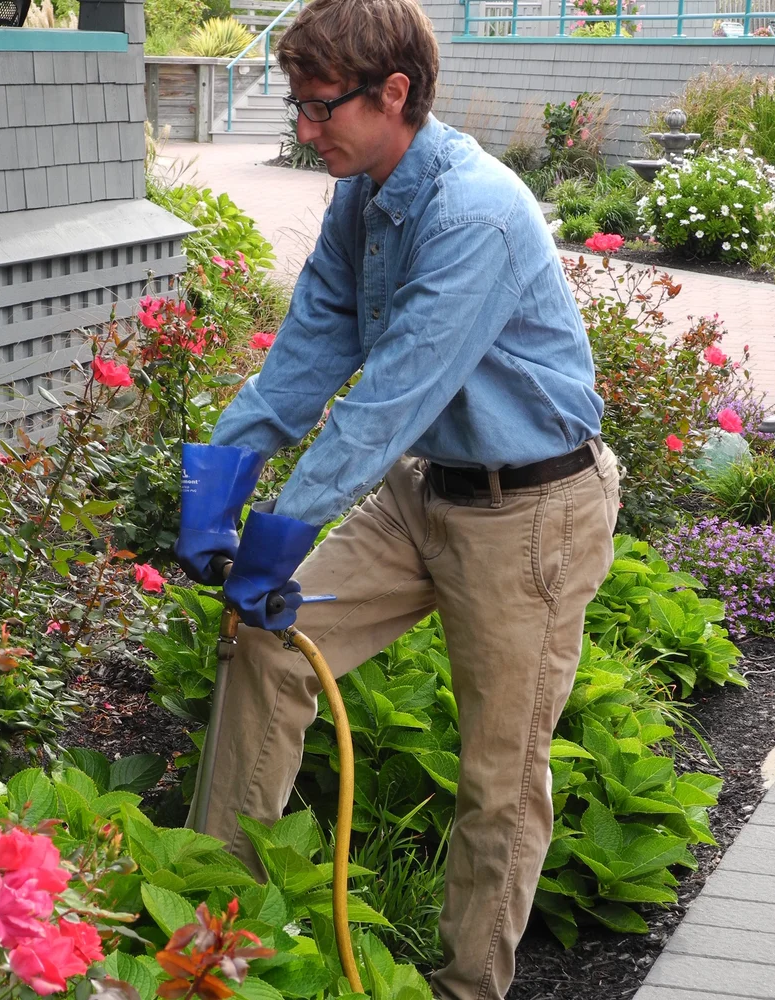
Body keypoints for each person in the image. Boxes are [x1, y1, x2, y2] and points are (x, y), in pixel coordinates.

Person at [173, 0, 620, 996]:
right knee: (268, 651)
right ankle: (209, 933)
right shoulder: (363, 196)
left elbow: (380, 407)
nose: (302, 126)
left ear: (394, 93)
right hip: (424, 495)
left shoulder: (475, 213)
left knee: (496, 782)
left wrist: (275, 537)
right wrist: (216, 484)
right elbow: (302, 365)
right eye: (296, 104)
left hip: (530, 514)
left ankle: (468, 988)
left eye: (318, 106)